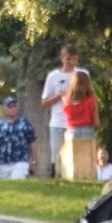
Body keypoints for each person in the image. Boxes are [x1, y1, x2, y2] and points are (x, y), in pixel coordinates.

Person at [39, 44, 87, 179]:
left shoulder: (82, 75)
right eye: (68, 59)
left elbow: (89, 96)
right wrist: (59, 96)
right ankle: (58, 178)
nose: (71, 62)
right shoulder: (53, 76)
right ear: (62, 58)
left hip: (77, 122)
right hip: (58, 121)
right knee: (58, 155)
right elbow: (44, 102)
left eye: (74, 59)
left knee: (77, 155)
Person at [60, 70, 100, 180]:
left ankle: (73, 178)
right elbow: (96, 121)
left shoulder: (66, 100)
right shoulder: (91, 100)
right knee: (88, 158)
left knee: (72, 159)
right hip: (87, 130)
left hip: (72, 132)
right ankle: (90, 177)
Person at [0, 94, 35, 178]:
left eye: (14, 106)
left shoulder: (24, 122)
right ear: (5, 108)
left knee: (17, 181)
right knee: (6, 188)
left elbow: (32, 141)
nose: (12, 109)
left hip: (21, 161)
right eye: (9, 107)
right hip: (4, 162)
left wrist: (34, 161)